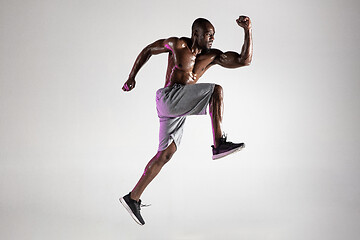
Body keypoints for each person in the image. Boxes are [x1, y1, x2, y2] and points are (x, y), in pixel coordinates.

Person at [120, 16, 253, 225]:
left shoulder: (212, 56)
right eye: (209, 35)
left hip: (179, 106)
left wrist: (247, 30)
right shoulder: (177, 44)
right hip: (169, 97)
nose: (212, 39)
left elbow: (244, 60)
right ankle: (219, 144)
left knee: (165, 154)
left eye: (214, 36)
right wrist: (132, 76)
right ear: (196, 34)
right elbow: (148, 50)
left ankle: (133, 197)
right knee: (215, 91)